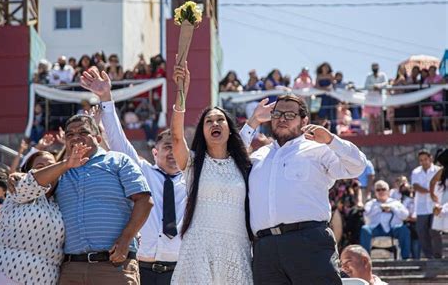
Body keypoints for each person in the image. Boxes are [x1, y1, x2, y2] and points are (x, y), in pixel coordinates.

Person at [241, 94, 367, 284]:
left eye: (290, 115)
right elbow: (225, 162)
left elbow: (357, 166)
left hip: (309, 243)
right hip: (265, 250)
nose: (282, 119)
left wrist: (331, 140)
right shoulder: (258, 156)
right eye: (277, 114)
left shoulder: (318, 149)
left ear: (304, 120)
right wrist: (253, 121)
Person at [80, 66, 187, 285]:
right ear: (154, 152)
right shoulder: (141, 171)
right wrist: (106, 97)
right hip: (141, 268)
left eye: (176, 147)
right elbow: (118, 141)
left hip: (180, 270)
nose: (173, 153)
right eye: (167, 147)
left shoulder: (193, 180)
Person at [31, 113, 153, 285]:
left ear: (97, 137)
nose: (76, 137)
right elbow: (32, 185)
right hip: (71, 269)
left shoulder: (119, 161)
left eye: (83, 132)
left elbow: (144, 201)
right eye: (70, 134)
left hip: (113, 266)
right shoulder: (60, 171)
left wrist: (125, 240)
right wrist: (16, 176)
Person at [170, 63, 253, 284]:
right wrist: (182, 93)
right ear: (203, 131)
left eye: (220, 120)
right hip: (199, 248)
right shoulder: (193, 163)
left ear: (229, 128)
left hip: (238, 247)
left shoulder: (243, 164)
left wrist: (254, 121)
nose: (214, 123)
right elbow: (177, 138)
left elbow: (245, 141)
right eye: (208, 121)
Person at [0, 151, 71, 285]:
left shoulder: (61, 201)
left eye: (51, 166)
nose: (47, 170)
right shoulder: (18, 186)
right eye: (40, 166)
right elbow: (32, 182)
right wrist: (65, 163)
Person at [359, 180, 410, 259]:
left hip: (393, 228)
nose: (381, 192)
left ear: (388, 191)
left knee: (404, 229)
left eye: (383, 189)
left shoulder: (395, 203)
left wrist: (393, 208)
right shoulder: (371, 203)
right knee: (365, 229)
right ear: (375, 192)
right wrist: (380, 208)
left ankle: (405, 258)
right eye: (378, 190)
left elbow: (405, 215)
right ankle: (365, 259)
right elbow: (366, 214)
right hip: (376, 228)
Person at [411, 149, 442, 258]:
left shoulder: (438, 170)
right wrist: (430, 191)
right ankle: (429, 256)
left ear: (430, 158)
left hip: (436, 206)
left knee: (435, 231)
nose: (423, 162)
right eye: (421, 160)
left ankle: (438, 255)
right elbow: (416, 186)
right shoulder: (415, 172)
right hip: (422, 207)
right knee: (422, 232)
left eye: (425, 159)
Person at [363, 63, 388, 134]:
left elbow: (386, 83)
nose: (375, 68)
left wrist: (378, 86)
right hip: (370, 100)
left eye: (376, 67)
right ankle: (372, 132)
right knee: (371, 117)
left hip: (379, 99)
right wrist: (373, 87)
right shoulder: (369, 76)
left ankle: (380, 131)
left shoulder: (383, 75)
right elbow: (366, 86)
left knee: (379, 117)